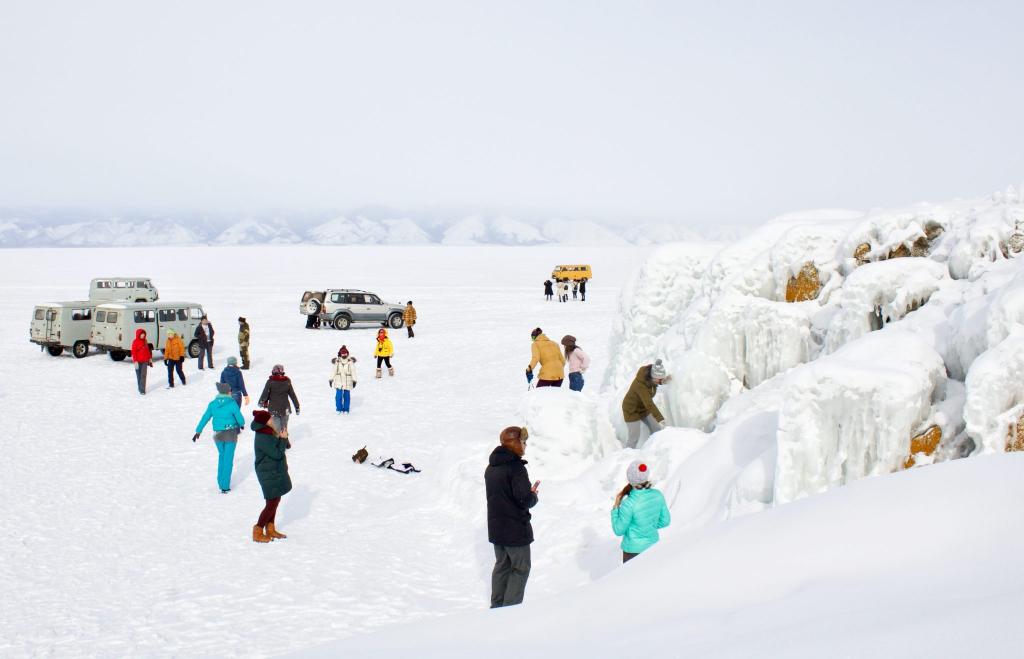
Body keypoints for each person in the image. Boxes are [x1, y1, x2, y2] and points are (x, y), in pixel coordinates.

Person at [485, 426, 539, 608]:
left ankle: (497, 608)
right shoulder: (515, 468)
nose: (525, 446)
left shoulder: (491, 467)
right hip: (515, 530)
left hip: (496, 529)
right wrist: (533, 495)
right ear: (514, 443)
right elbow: (524, 499)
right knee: (520, 568)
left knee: (502, 566)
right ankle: (510, 612)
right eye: (523, 442)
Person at [611, 460, 671, 563]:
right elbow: (666, 521)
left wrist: (615, 508)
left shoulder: (629, 503)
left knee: (632, 579)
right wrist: (648, 526)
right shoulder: (657, 495)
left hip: (633, 552)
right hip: (653, 547)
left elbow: (618, 530)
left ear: (630, 479)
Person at [193, 382, 246, 493]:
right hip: (230, 434)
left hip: (218, 435)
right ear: (227, 392)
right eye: (230, 390)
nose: (231, 392)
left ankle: (221, 481)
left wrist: (198, 431)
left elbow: (205, 418)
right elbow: (240, 419)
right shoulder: (232, 403)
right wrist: (241, 424)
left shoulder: (212, 404)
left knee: (222, 457)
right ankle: (225, 486)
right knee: (228, 459)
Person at [251, 409, 291, 542]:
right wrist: (283, 439)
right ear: (264, 423)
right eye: (269, 419)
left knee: (275, 500)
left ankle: (270, 529)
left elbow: (276, 449)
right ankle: (258, 530)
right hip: (267, 473)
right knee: (271, 503)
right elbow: (277, 454)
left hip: (273, 471)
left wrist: (282, 438)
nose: (272, 420)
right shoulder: (263, 436)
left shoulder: (268, 432)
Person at [622, 359, 671, 449]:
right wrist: (660, 419)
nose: (660, 380)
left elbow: (656, 380)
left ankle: (652, 448)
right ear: (653, 377)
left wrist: (664, 381)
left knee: (656, 429)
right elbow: (649, 404)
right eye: (659, 379)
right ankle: (626, 455)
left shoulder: (652, 378)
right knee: (634, 437)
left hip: (643, 407)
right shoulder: (640, 385)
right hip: (631, 410)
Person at [258, 364, 300, 434]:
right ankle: (285, 442)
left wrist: (261, 402)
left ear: (274, 372)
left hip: (274, 409)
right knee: (284, 428)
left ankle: (280, 443)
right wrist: (297, 406)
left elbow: (265, 393)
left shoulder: (270, 381)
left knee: (277, 429)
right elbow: (292, 395)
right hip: (285, 409)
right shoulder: (287, 381)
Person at [330, 345, 358, 414]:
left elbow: (353, 372)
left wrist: (354, 380)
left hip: (348, 382)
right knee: (338, 396)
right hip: (338, 382)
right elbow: (333, 371)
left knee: (346, 396)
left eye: (345, 353)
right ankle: (339, 409)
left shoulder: (350, 362)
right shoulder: (337, 362)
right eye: (342, 353)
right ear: (340, 354)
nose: (344, 355)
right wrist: (331, 379)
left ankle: (346, 409)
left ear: (347, 354)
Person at [131, 328, 153, 395]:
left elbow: (147, 350)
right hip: (138, 361)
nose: (143, 335)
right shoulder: (135, 342)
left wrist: (150, 358)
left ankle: (142, 390)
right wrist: (135, 361)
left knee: (143, 375)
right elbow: (133, 352)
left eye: (144, 334)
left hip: (145, 361)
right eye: (141, 334)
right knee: (139, 375)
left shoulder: (145, 341)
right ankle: (140, 387)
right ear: (138, 334)